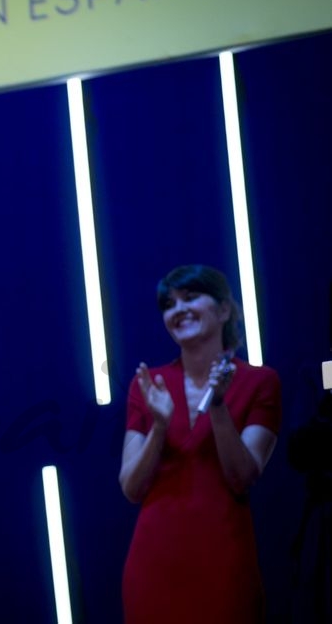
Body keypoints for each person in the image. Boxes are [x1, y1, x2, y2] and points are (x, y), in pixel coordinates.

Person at [119, 264, 282, 623]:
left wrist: (218, 405)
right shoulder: (149, 384)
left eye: (190, 298)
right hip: (154, 560)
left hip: (223, 557)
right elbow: (131, 487)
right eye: (169, 304)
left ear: (224, 310)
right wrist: (160, 427)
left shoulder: (260, 382)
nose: (178, 309)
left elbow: (242, 476)